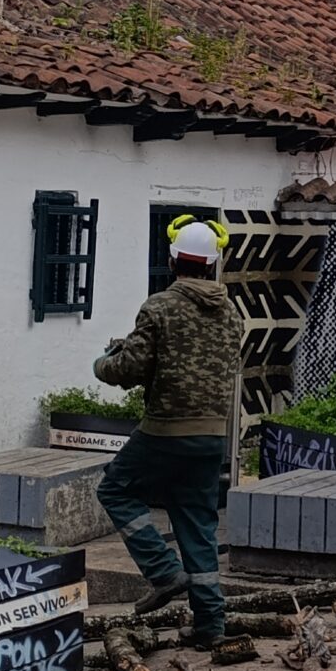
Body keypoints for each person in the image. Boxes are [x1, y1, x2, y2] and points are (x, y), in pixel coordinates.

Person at [93, 216, 245, 648]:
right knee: (197, 523)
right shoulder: (232, 314)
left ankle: (162, 571)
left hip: (164, 430)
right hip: (212, 436)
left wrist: (105, 360)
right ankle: (210, 625)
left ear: (173, 258)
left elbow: (131, 369)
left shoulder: (158, 307)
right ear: (214, 264)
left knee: (116, 490)